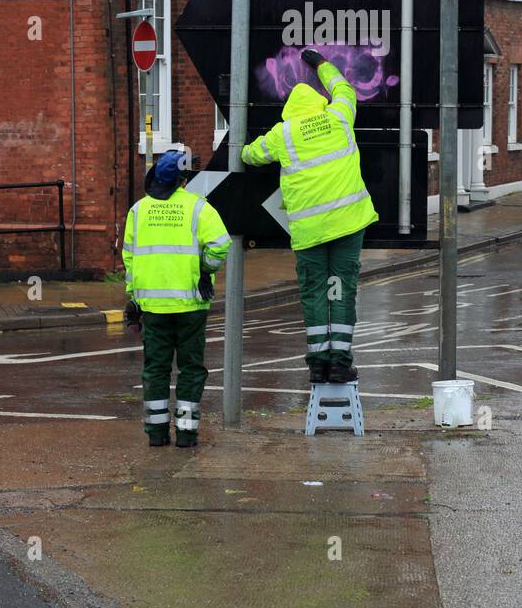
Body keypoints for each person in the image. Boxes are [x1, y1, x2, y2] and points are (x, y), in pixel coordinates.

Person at [241, 49, 377, 385]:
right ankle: (341, 364)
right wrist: (320, 64)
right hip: (348, 224)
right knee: (341, 291)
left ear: (291, 109)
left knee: (315, 293)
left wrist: (241, 152)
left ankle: (318, 363)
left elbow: (251, 155)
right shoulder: (339, 116)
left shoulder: (283, 134)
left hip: (309, 231)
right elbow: (344, 88)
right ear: (318, 102)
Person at [122, 150, 231, 448]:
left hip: (153, 307)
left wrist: (133, 298)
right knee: (191, 369)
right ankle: (186, 434)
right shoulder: (198, 208)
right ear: (184, 181)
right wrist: (206, 270)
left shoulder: (138, 210)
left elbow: (130, 259)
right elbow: (221, 245)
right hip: (191, 305)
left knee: (155, 369)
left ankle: (156, 434)